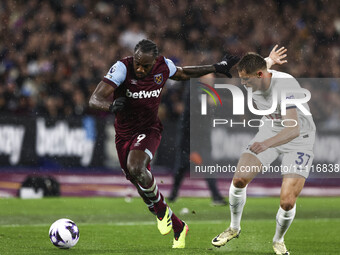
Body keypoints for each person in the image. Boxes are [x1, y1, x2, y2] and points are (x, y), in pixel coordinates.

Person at [89, 39, 239, 249]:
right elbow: (94, 99)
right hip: (124, 134)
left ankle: (160, 212)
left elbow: (185, 73)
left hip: (149, 129)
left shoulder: (163, 66)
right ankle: (178, 226)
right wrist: (110, 105)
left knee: (136, 167)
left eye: (146, 66)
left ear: (154, 62)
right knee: (136, 178)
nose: (140, 69)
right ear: (134, 57)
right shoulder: (122, 68)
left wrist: (217, 67)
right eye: (138, 64)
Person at [211, 46, 316, 255]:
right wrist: (269, 59)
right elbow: (263, 65)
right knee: (239, 179)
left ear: (259, 76)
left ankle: (278, 240)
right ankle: (234, 228)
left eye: (246, 79)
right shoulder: (258, 74)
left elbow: (293, 128)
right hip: (270, 129)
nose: (243, 83)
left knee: (287, 201)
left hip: (299, 137)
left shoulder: (286, 86)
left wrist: (267, 144)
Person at [168, 73, 227, 206]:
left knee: (206, 164)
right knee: (182, 165)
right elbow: (196, 107)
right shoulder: (194, 88)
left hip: (201, 133)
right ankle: (173, 194)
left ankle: (216, 196)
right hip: (188, 132)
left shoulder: (203, 89)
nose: (212, 81)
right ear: (202, 78)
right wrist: (209, 101)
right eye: (209, 78)